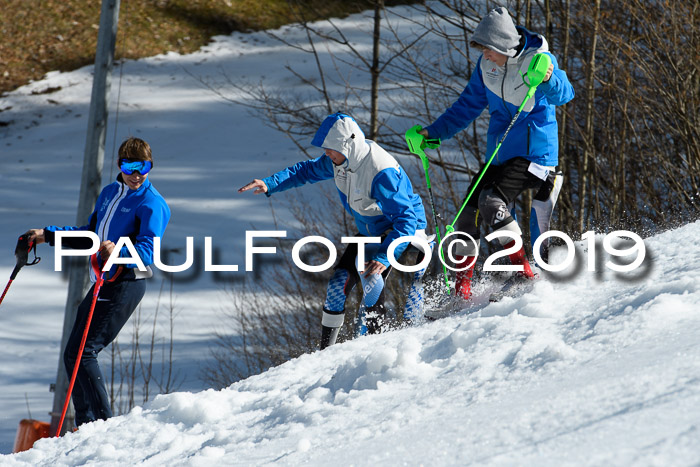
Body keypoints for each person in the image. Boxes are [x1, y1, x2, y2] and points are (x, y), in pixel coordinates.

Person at [417, 7, 574, 300]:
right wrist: (433, 132)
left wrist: (550, 78)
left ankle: (524, 275)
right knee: (468, 213)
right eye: (483, 52)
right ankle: (460, 291)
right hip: (500, 155)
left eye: (489, 51)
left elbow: (564, 94)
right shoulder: (485, 67)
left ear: (504, 45)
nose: (485, 56)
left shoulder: (537, 59)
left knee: (492, 202)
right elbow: (467, 106)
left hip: (535, 155)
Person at [239, 112, 430, 349]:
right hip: (371, 232)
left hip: (402, 231)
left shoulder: (381, 171)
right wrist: (270, 183)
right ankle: (325, 353)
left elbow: (406, 218)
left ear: (347, 145)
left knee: (372, 279)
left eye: (330, 149)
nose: (326, 154)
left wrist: (384, 256)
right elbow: (306, 171)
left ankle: (377, 348)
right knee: (337, 287)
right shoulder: (339, 161)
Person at [25, 137, 170, 426]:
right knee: (73, 353)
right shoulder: (109, 194)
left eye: (143, 166)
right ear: (120, 165)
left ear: (150, 166)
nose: (136, 174)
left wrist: (118, 250)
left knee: (85, 351)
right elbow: (90, 234)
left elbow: (148, 252)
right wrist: (48, 235)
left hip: (127, 281)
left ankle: (103, 426)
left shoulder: (152, 203)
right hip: (105, 281)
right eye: (130, 166)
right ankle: (86, 424)